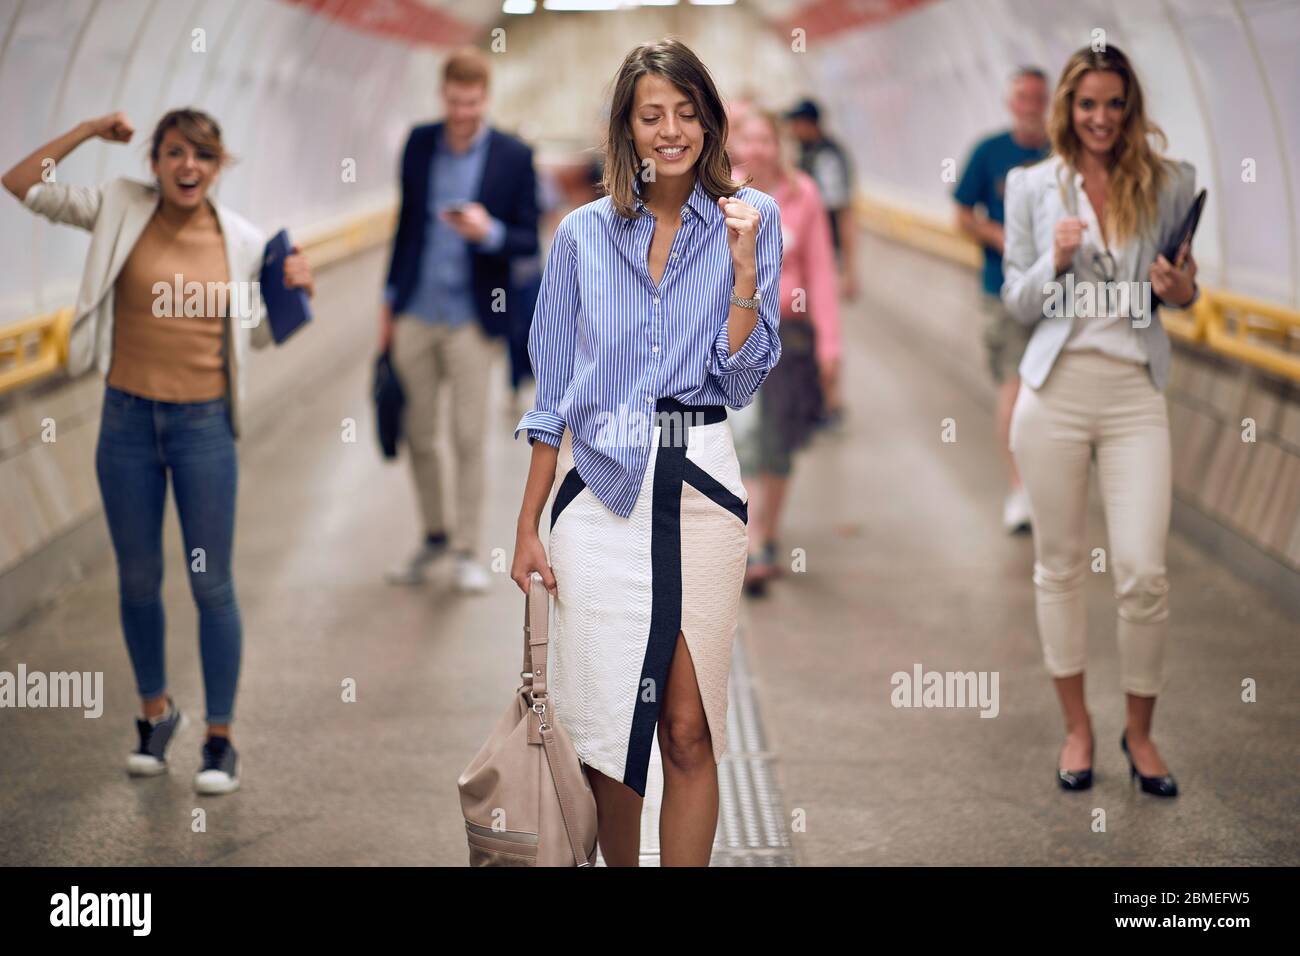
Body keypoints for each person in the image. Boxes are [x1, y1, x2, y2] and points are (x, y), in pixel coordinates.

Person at [509, 37, 782, 866]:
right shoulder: (583, 237)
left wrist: (741, 274)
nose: (671, 131)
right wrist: (528, 526)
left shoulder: (751, 220)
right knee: (611, 730)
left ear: (710, 121)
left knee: (688, 726)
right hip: (600, 493)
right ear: (626, 130)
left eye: (687, 113)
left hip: (700, 482)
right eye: (651, 115)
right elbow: (551, 393)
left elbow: (739, 381)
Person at [2, 108, 315, 795]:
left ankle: (220, 737)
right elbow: (21, 182)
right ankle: (155, 715)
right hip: (127, 424)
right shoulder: (119, 207)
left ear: (218, 165)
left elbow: (260, 337)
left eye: (202, 156)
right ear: (155, 161)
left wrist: (290, 289)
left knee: (212, 584)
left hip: (203, 427)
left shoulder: (242, 241)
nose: (187, 168)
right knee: (137, 578)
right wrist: (85, 131)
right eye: (174, 153)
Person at [1002, 45, 1199, 797]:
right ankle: (1077, 729)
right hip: (1053, 391)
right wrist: (1049, 264)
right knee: (1058, 565)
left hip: (1133, 394)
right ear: (1067, 107)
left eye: (1115, 104)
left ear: (1131, 107)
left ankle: (1140, 734)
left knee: (1144, 570)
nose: (1101, 119)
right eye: (1088, 104)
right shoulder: (1031, 187)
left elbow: (1185, 291)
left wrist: (1180, 289)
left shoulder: (1169, 182)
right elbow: (1017, 303)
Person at [381, 46, 540, 591]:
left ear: (485, 99)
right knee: (418, 433)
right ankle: (433, 536)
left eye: (472, 103)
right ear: (442, 94)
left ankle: (469, 549)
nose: (462, 112)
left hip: (475, 318)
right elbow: (405, 225)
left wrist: (487, 231)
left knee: (467, 437)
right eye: (454, 101)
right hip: (417, 312)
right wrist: (388, 304)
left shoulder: (513, 156)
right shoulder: (420, 144)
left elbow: (528, 240)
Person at [728, 108, 840, 595]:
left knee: (780, 441)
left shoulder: (804, 195)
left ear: (779, 145)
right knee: (746, 435)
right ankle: (752, 541)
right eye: (747, 140)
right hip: (741, 330)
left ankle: (769, 532)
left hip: (790, 337)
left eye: (765, 140)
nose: (757, 150)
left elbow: (820, 271)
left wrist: (830, 344)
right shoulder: (722, 196)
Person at [954, 66, 1051, 534]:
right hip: (1004, 288)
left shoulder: (1062, 152)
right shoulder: (990, 153)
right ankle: (1019, 488)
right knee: (1013, 386)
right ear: (1012, 103)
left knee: (1050, 391)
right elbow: (961, 212)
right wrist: (1000, 236)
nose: (1030, 106)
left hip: (1059, 293)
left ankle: (1047, 483)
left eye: (1038, 98)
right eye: (1023, 98)